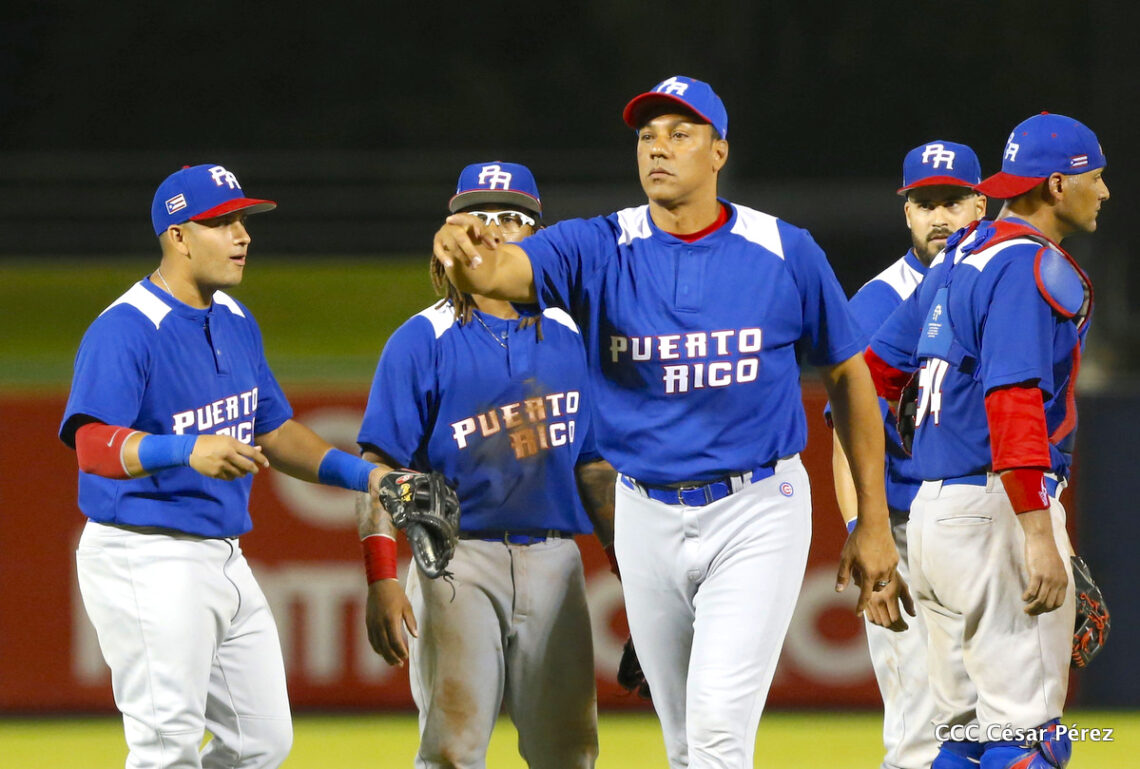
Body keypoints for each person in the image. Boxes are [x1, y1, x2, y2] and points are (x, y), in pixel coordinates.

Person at [433, 77, 898, 769]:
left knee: (716, 737)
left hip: (755, 507)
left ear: (719, 152)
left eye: (680, 134)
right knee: (683, 746)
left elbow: (850, 379)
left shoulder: (783, 249)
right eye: (647, 135)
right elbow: (499, 273)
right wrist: (465, 247)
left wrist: (874, 521)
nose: (658, 147)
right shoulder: (599, 245)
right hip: (645, 511)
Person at [59, 164, 385, 769]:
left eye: (242, 220)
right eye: (222, 222)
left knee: (260, 742)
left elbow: (275, 431)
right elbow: (92, 446)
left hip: (223, 554)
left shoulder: (233, 317)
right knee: (166, 747)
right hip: (144, 553)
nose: (243, 235)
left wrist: (368, 477)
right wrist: (184, 449)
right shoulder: (126, 328)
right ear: (178, 236)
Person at [865, 113, 1109, 769]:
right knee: (1030, 739)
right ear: (1056, 185)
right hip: (996, 509)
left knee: (963, 739)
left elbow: (870, 374)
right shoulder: (1028, 263)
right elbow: (1013, 397)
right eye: (1095, 176)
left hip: (932, 520)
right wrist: (1037, 532)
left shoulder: (956, 257)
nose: (1104, 191)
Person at [356, 161, 618, 769]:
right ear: (451, 232)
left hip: (555, 559)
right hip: (456, 560)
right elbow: (379, 468)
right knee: (453, 751)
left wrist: (630, 575)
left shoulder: (574, 334)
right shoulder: (421, 339)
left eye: (512, 218)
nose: (494, 230)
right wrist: (381, 577)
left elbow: (595, 467)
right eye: (477, 217)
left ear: (538, 236)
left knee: (571, 754)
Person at [830, 140, 987, 769]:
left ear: (980, 204)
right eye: (925, 204)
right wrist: (863, 536)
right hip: (903, 528)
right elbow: (845, 441)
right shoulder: (876, 303)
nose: (939, 217)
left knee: (1007, 722)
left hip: (988, 524)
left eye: (952, 201)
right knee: (922, 736)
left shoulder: (998, 279)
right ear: (907, 214)